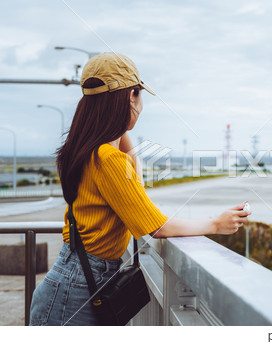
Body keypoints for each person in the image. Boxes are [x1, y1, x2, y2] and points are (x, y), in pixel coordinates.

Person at [29, 52, 251, 326]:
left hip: (74, 281)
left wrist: (119, 123)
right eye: (138, 95)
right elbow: (156, 226)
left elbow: (133, 176)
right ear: (129, 97)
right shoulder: (107, 159)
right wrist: (216, 224)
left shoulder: (88, 151)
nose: (141, 105)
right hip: (76, 292)